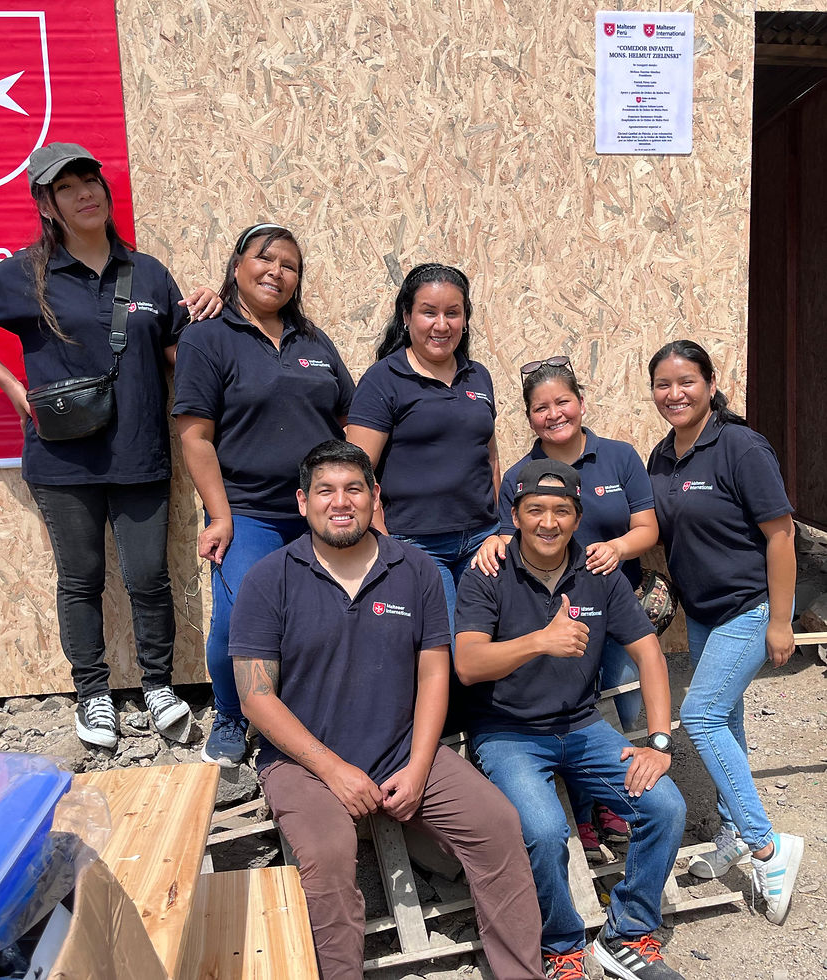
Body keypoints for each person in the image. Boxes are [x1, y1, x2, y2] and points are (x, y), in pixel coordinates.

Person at [0, 142, 221, 749]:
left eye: (90, 180)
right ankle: (92, 693)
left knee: (149, 578)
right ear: (48, 205)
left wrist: (209, 316)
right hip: (62, 458)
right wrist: (14, 387)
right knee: (81, 578)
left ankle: (159, 685)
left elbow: (178, 353)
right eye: (66, 188)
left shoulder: (147, 273)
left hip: (141, 450)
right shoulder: (26, 274)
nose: (84, 193)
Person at [228, 440, 545, 980]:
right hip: (304, 765)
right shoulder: (269, 578)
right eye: (325, 490)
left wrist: (420, 767)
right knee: (328, 856)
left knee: (498, 825)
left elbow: (433, 674)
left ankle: (521, 973)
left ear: (376, 497)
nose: (341, 501)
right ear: (302, 502)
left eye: (354, 488)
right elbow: (256, 696)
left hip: (403, 749)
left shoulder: (415, 570)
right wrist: (334, 771)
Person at [454, 459, 687, 980]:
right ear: (514, 515)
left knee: (666, 807)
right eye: (535, 509)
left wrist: (659, 741)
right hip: (507, 731)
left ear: (577, 518)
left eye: (562, 510)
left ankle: (626, 933)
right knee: (542, 830)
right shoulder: (488, 571)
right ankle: (560, 944)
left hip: (582, 727)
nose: (548, 522)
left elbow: (649, 652)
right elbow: (467, 664)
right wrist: (541, 641)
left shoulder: (598, 574)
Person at [173, 224, 355, 768]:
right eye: (265, 258)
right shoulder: (207, 338)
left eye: (290, 265)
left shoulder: (314, 343)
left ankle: (306, 713)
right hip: (247, 510)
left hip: (318, 509)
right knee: (239, 615)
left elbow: (354, 418)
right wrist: (220, 516)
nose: (277, 272)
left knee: (326, 612)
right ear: (237, 266)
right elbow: (195, 436)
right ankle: (231, 713)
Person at [472, 356, 659, 855]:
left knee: (620, 705)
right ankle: (587, 813)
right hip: (549, 612)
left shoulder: (619, 457)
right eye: (540, 408)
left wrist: (616, 550)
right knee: (572, 705)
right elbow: (511, 536)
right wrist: (493, 542)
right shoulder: (518, 474)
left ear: (580, 401)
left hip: (613, 601)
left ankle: (617, 796)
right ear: (528, 417)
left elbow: (648, 528)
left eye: (562, 402)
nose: (553, 414)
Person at [647, 340, 803, 923]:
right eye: (663, 384)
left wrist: (783, 620)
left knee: (705, 716)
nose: (674, 394)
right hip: (706, 614)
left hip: (750, 608)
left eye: (686, 381)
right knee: (728, 722)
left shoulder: (739, 446)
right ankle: (736, 834)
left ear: (711, 385)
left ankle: (767, 846)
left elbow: (781, 536)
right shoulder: (660, 458)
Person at [345, 263, 500, 630]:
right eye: (429, 312)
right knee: (442, 648)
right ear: (407, 317)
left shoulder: (478, 375)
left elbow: (490, 457)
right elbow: (358, 472)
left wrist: (499, 527)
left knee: (486, 645)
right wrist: (384, 544)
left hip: (482, 543)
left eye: (453, 313)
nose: (441, 325)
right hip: (417, 544)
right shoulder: (383, 379)